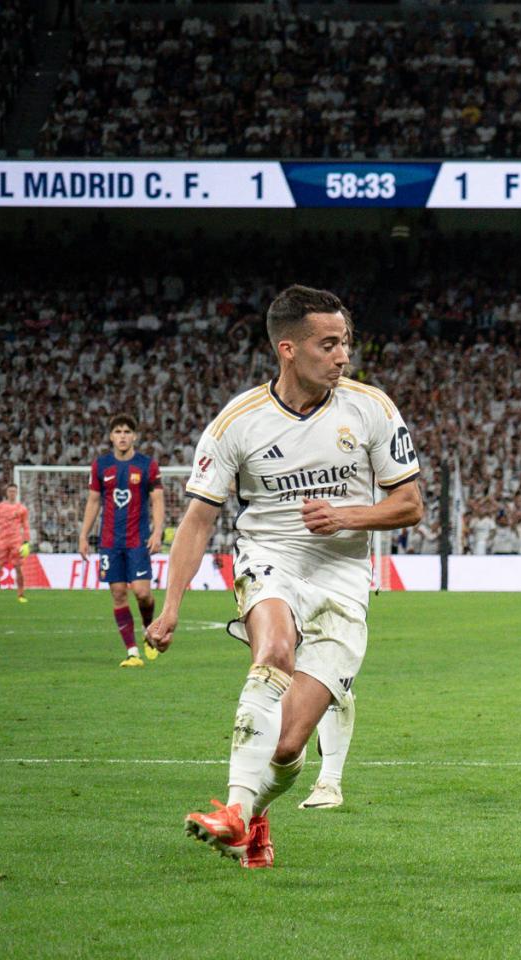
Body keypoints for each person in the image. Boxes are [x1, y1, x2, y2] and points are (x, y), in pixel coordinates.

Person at [146, 285, 423, 868]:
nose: (343, 354)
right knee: (272, 651)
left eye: (346, 341)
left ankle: (253, 818)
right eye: (330, 344)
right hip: (270, 557)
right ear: (288, 349)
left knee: (289, 744)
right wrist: (171, 607)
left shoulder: (371, 407)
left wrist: (346, 514)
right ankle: (235, 813)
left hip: (345, 577)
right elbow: (197, 521)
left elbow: (410, 504)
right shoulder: (237, 423)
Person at [78, 415, 164, 666]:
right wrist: (84, 535)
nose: (123, 436)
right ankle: (132, 652)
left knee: (143, 593)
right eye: (118, 431)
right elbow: (93, 501)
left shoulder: (147, 465)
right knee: (118, 594)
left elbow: (157, 499)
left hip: (138, 540)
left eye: (127, 431)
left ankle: (149, 628)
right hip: (109, 541)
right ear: (111, 436)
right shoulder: (101, 465)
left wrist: (158, 532)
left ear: (135, 436)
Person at [0, 483, 32, 603]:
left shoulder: (22, 508)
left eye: (14, 491)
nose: (12, 493)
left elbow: (26, 526)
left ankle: (21, 595)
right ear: (6, 493)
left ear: (16, 493)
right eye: (10, 491)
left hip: (16, 541)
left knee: (18, 568)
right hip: (2, 541)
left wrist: (26, 542)